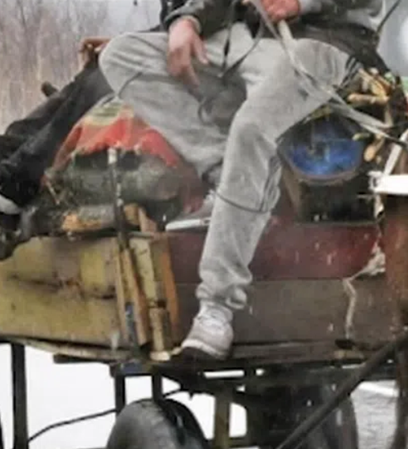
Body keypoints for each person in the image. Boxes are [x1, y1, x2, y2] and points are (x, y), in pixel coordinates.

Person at [99, 0, 384, 360]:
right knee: (121, 56)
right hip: (241, 38)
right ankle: (227, 169)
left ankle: (217, 307)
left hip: (324, 42)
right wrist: (188, 20)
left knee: (251, 129)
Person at [0, 2, 185, 216]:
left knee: (104, 74)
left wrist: (132, 48)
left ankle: (16, 182)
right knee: (94, 72)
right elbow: (174, 24)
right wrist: (124, 44)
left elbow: (203, 22)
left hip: (204, 80)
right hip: (183, 58)